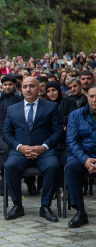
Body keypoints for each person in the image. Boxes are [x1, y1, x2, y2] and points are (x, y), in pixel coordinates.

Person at [3, 77, 63, 222]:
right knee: (9, 166)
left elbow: (58, 131)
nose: (28, 89)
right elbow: (6, 133)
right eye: (25, 87)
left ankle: (45, 207)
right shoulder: (12, 109)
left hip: (44, 151)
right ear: (21, 89)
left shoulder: (50, 107)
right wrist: (20, 147)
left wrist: (44, 147)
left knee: (53, 166)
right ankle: (17, 206)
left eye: (31, 86)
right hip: (20, 151)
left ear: (39, 89)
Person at [65, 83, 96, 228]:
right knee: (70, 167)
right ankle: (80, 212)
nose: (94, 99)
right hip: (82, 157)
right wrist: (85, 160)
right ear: (87, 97)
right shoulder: (75, 115)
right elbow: (72, 141)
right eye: (91, 96)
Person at [0, 74, 22, 195]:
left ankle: (11, 180)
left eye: (10, 85)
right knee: (2, 147)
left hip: (15, 131)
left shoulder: (19, 97)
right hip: (0, 131)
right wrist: (1, 127)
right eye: (5, 85)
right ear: (1, 86)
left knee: (10, 148)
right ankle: (4, 177)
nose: (8, 87)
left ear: (15, 85)